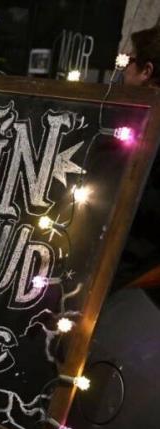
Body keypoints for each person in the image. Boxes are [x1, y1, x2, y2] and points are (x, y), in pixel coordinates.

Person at [113, 25, 160, 290]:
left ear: (147, 71)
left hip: (131, 275)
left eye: (131, 59)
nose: (124, 65)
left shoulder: (145, 130)